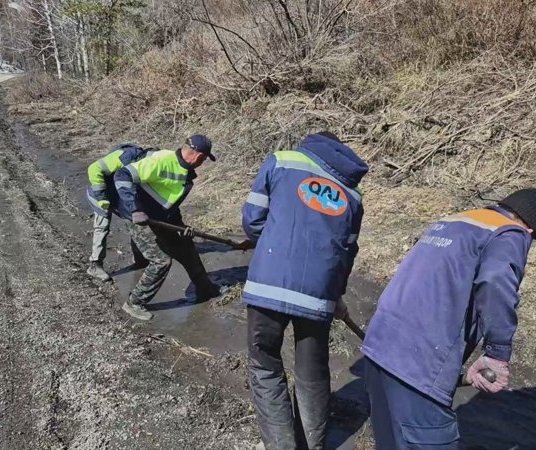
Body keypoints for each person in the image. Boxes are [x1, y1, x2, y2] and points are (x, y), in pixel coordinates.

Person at [361, 188, 536, 449]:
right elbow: (496, 282)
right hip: (419, 362)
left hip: (380, 344)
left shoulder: (455, 221)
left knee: (390, 441)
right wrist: (497, 354)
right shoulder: (510, 232)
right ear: (532, 231)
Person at [241, 131, 368, 450]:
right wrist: (336, 294)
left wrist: (275, 241)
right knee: (313, 367)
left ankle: (282, 444)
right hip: (319, 294)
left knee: (265, 362)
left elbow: (252, 222)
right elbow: (346, 253)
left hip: (269, 285)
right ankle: (314, 444)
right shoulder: (353, 194)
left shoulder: (282, 161)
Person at [115, 134, 221, 321]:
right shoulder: (161, 160)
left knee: (186, 247)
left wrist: (180, 227)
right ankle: (134, 303)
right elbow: (122, 175)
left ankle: (205, 289)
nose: (202, 163)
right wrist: (135, 210)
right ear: (198, 157)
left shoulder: (185, 171)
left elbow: (170, 202)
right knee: (161, 261)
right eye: (204, 159)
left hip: (161, 217)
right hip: (136, 216)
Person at [85, 143, 147, 281]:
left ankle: (140, 258)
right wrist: (102, 198)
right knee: (102, 227)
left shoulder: (148, 166)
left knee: (135, 221)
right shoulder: (127, 156)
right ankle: (95, 265)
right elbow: (94, 169)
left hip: (119, 194)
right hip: (99, 192)